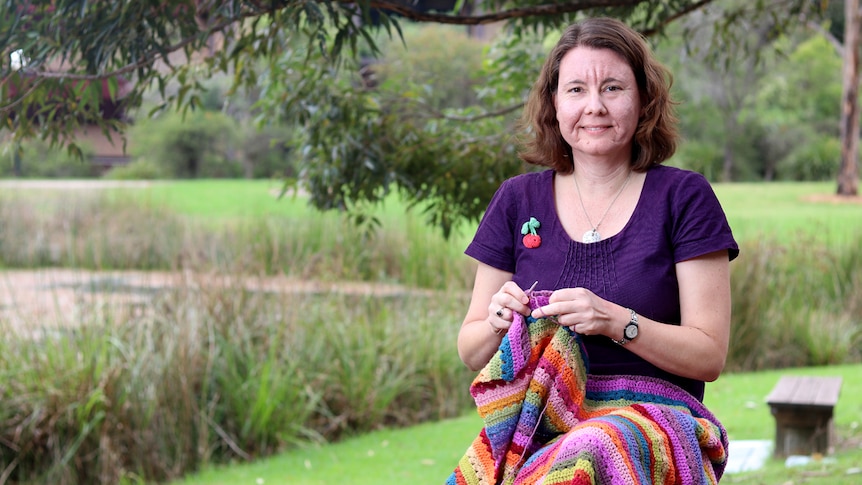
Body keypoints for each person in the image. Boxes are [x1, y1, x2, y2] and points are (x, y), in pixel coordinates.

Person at [448, 17, 739, 485]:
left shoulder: (684, 197)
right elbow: (470, 349)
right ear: (555, 104)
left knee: (595, 445)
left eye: (613, 88)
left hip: (660, 422)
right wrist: (497, 322)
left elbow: (709, 355)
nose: (595, 107)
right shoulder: (516, 199)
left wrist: (613, 320)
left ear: (643, 100)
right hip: (542, 423)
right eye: (577, 89)